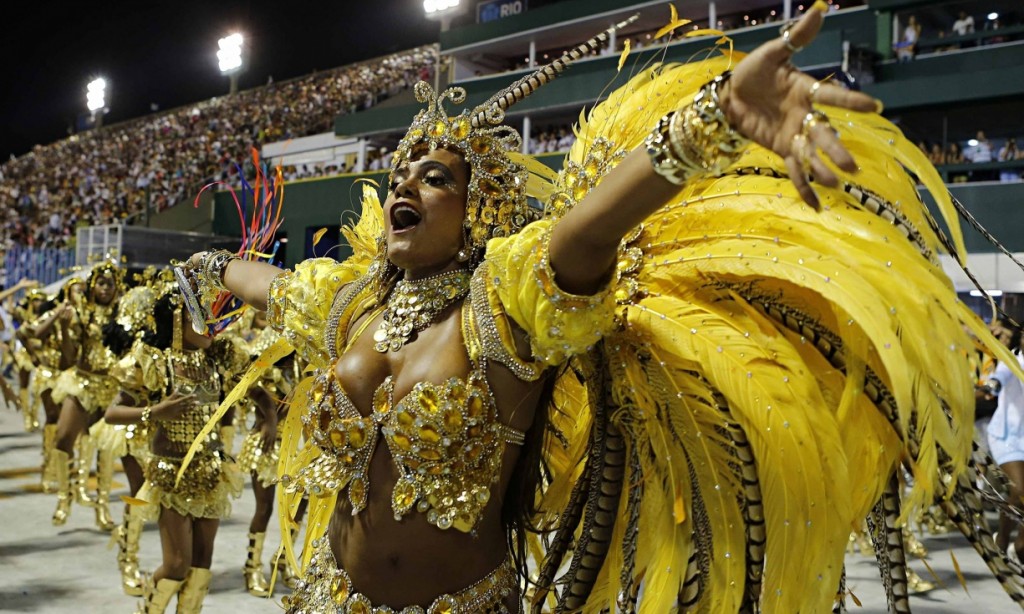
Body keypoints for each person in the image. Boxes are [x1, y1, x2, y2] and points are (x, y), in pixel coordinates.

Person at [177, 5, 1024, 612]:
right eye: (402, 173)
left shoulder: (502, 307)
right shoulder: (353, 301)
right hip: (322, 599)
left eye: (437, 176)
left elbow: (583, 235)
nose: (406, 182)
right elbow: (273, 287)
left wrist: (716, 120)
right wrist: (214, 263)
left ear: (477, 213)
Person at [103, 278, 242, 614]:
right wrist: (155, 411)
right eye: (202, 318)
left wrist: (267, 416)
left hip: (211, 473)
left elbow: (246, 393)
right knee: (177, 564)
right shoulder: (154, 362)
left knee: (201, 566)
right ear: (179, 319)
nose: (212, 325)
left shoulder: (215, 362)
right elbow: (112, 413)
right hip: (171, 476)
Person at [49, 263, 122, 529]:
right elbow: (68, 356)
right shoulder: (82, 312)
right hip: (81, 383)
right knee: (63, 438)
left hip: (110, 387)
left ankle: (102, 506)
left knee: (105, 448)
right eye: (101, 283)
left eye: (110, 284)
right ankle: (64, 497)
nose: (105, 288)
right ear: (93, 286)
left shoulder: (122, 316)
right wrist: (63, 328)